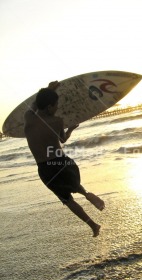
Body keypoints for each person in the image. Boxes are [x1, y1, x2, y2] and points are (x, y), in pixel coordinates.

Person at [24, 81, 105, 237]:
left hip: (45, 169)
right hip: (62, 162)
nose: (57, 108)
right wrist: (71, 129)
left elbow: (34, 105)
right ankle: (87, 194)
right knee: (74, 184)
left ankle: (93, 225)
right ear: (49, 107)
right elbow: (63, 139)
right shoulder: (57, 121)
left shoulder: (28, 118)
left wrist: (48, 89)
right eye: (56, 105)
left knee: (67, 200)